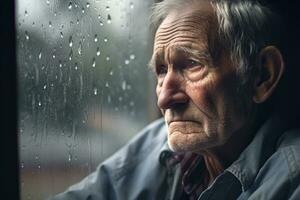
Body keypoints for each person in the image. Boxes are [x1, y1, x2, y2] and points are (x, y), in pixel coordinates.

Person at [50, 0, 300, 199]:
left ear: (261, 76)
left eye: (191, 64)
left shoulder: (291, 180)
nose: (165, 99)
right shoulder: (159, 144)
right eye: (161, 70)